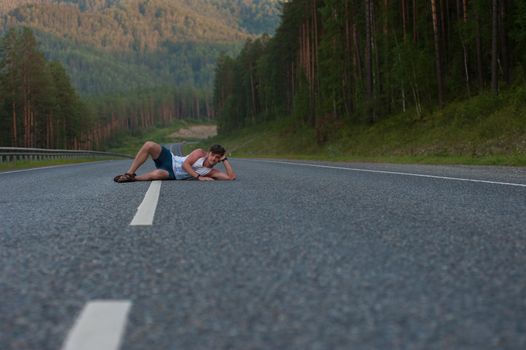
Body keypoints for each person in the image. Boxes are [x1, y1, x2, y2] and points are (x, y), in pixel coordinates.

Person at [113, 141, 236, 182]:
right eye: (213, 155)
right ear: (209, 153)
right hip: (170, 159)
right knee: (149, 145)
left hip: (172, 174)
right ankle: (129, 173)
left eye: (217, 157)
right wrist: (199, 177)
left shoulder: (211, 172)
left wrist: (225, 159)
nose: (213, 159)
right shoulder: (199, 153)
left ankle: (133, 179)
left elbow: (231, 177)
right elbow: (185, 165)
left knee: (157, 175)